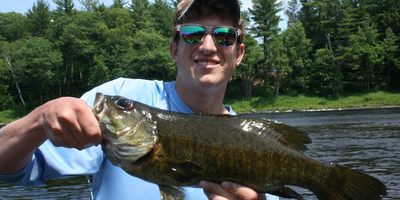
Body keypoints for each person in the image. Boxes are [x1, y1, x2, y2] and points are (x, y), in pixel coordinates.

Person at [0, 0, 279, 199]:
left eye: (224, 36)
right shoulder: (122, 100)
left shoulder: (261, 141)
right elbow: (8, 170)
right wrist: (38, 120)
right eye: (193, 34)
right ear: (173, 49)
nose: (207, 46)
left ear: (239, 54)